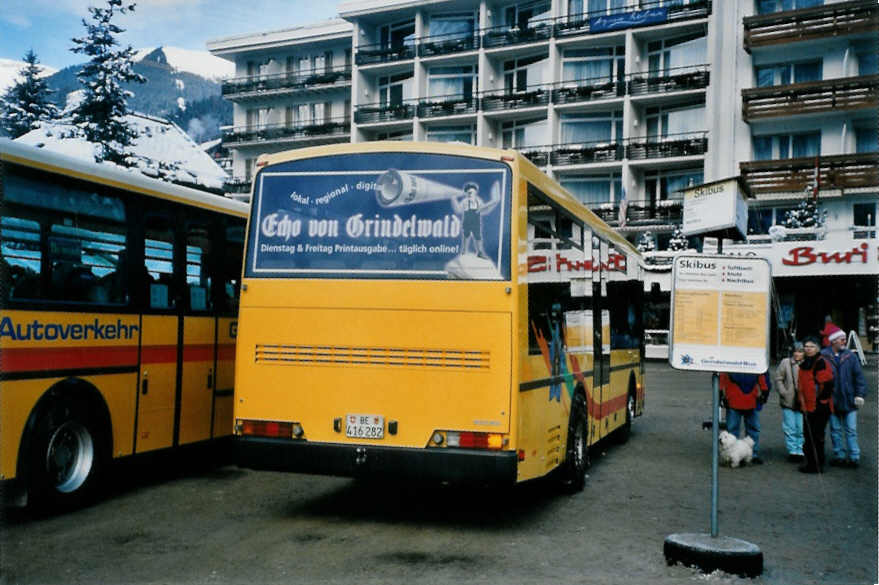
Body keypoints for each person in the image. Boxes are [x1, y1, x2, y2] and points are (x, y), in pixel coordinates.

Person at [821, 328, 867, 468]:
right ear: (834, 340)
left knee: (851, 430)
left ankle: (854, 456)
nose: (845, 341)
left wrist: (860, 394)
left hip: (849, 399)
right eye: (842, 339)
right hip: (832, 399)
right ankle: (839, 455)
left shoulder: (850, 356)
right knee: (835, 430)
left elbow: (859, 377)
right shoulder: (823, 356)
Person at [797, 337, 834, 473]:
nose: (808, 349)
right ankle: (811, 462)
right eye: (806, 346)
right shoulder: (805, 363)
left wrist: (819, 402)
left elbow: (827, 384)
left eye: (811, 346)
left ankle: (816, 465)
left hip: (819, 407)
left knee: (816, 437)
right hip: (807, 406)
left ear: (818, 348)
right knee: (808, 436)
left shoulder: (821, 363)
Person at [719, 371, 771, 464]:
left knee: (733, 430)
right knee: (751, 429)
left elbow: (723, 375)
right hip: (746, 398)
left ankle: (735, 455)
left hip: (736, 398)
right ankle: (747, 454)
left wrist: (721, 393)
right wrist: (764, 390)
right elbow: (760, 372)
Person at [775, 342, 805, 463]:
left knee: (801, 427)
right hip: (788, 400)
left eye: (800, 351)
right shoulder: (785, 362)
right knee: (790, 427)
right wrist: (784, 392)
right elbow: (778, 378)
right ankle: (793, 450)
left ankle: (800, 449)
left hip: (802, 401)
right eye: (796, 351)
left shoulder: (807, 364)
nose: (797, 354)